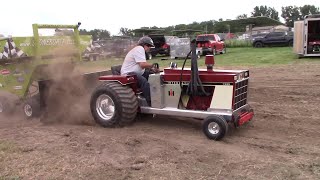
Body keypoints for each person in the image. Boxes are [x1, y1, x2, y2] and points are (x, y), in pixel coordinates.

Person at [120, 36, 158, 106]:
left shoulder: (139, 50)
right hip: (128, 74)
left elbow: (141, 65)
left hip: (136, 72)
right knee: (144, 82)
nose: (149, 48)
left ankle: (155, 95)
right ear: (144, 44)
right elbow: (142, 65)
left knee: (153, 77)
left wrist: (152, 70)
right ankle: (151, 102)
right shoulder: (139, 49)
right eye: (149, 46)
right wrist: (152, 66)